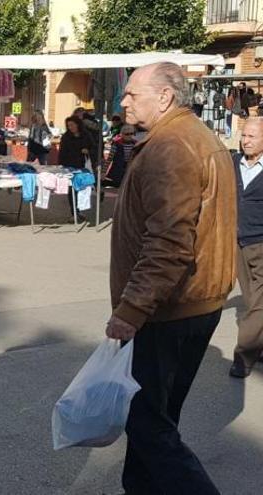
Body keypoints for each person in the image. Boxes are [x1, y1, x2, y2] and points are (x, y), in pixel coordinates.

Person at [107, 62, 236, 495]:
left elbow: (168, 243)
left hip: (168, 309)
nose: (122, 101)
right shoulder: (190, 137)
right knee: (155, 420)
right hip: (191, 303)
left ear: (164, 98)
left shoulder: (171, 146)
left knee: (148, 426)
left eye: (131, 94)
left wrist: (131, 309)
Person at [230, 117, 263, 378]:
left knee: (260, 303)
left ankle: (243, 356)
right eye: (244, 135)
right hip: (238, 243)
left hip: (261, 243)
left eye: (252, 136)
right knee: (252, 300)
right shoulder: (233, 163)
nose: (245, 141)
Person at [103, 124, 136, 188]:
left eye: (131, 133)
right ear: (122, 134)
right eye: (127, 134)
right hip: (118, 171)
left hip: (130, 171)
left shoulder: (136, 144)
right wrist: (103, 172)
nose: (130, 136)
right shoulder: (116, 144)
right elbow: (109, 159)